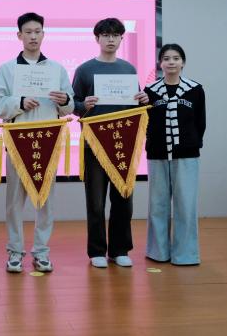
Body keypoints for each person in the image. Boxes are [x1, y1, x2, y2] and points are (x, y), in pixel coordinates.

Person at [0, 12, 74, 273]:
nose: (33, 36)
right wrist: (20, 102)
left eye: (37, 31)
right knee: (14, 202)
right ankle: (15, 251)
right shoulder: (7, 69)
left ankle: (41, 251)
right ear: (19, 35)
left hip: (48, 142)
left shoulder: (56, 69)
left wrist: (64, 101)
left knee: (45, 202)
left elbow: (69, 106)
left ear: (43, 34)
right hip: (18, 142)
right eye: (28, 32)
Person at [72, 17, 149, 268]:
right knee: (95, 201)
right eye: (105, 35)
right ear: (97, 39)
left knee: (123, 199)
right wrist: (84, 104)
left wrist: (142, 99)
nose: (110, 39)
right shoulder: (84, 69)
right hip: (94, 144)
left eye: (115, 35)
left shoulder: (128, 69)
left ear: (121, 39)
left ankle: (119, 249)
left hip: (123, 145)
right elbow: (73, 104)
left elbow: (135, 106)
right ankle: (96, 250)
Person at [144, 44, 205, 265]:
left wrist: (191, 143)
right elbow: (145, 122)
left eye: (176, 58)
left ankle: (185, 254)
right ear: (160, 63)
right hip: (157, 154)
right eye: (166, 58)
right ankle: (158, 252)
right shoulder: (149, 91)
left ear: (183, 62)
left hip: (187, 155)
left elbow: (200, 122)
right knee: (157, 205)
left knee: (186, 205)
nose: (171, 62)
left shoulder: (195, 89)